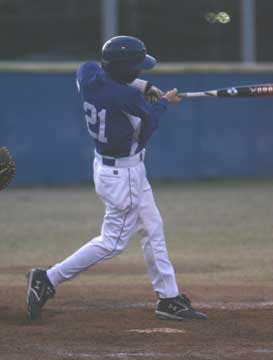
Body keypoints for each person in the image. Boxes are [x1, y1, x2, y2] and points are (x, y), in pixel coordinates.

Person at [26, 35, 207, 321]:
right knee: (112, 243)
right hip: (125, 174)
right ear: (125, 69)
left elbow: (123, 91)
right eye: (137, 69)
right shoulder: (127, 98)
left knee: (152, 228)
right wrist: (163, 102)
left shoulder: (88, 74)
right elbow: (146, 129)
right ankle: (47, 278)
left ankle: (169, 299)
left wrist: (147, 89)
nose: (141, 72)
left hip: (107, 167)